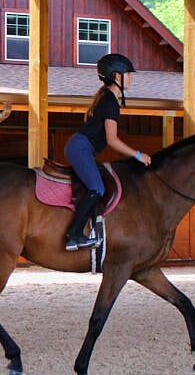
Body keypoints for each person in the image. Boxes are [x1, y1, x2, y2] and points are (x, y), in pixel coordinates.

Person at [63, 53, 152, 251]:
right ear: (117, 76)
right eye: (129, 74)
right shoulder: (110, 102)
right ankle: (74, 236)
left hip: (80, 147)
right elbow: (112, 140)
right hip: (80, 147)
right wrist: (138, 155)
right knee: (97, 188)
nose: (131, 78)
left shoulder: (107, 99)